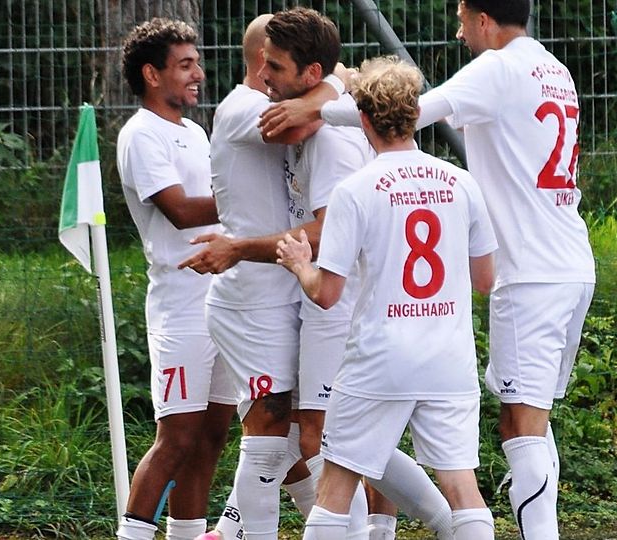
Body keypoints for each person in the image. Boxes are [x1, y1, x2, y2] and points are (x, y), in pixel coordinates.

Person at [260, 2, 597, 538]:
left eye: (462, 18)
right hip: (568, 264)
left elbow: (416, 108)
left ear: (484, 18)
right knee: (520, 436)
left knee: (519, 430)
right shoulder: (552, 71)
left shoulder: (496, 68)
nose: (459, 31)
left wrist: (319, 108)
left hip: (525, 273)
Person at [181, 8, 458, 540]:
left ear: (308, 75)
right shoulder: (319, 119)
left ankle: (439, 521)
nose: (266, 79)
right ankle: (428, 522)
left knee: (324, 439)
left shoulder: (327, 139)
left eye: (277, 67)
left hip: (336, 302)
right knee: (324, 437)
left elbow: (327, 232)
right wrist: (332, 88)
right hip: (343, 302)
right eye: (263, 65)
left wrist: (239, 248)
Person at [275, 56, 498, 540]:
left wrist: (298, 264)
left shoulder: (356, 189)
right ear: (416, 115)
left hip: (380, 356)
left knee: (337, 484)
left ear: (363, 120)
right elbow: (486, 278)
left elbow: (327, 294)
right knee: (463, 487)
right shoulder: (461, 183)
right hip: (448, 356)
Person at [190, 14, 325, 540]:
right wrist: (335, 85)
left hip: (283, 289)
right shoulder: (244, 107)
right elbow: (310, 122)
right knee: (272, 428)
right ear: (264, 61)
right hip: (251, 299)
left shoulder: (270, 101)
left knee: (300, 430)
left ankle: (237, 528)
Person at [114, 18, 237, 540]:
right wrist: (244, 197)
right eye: (184, 65)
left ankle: (188, 535)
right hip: (179, 307)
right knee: (177, 437)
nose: (198, 75)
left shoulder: (194, 132)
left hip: (223, 300)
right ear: (151, 74)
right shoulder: (140, 135)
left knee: (212, 435)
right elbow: (182, 213)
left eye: (196, 63)